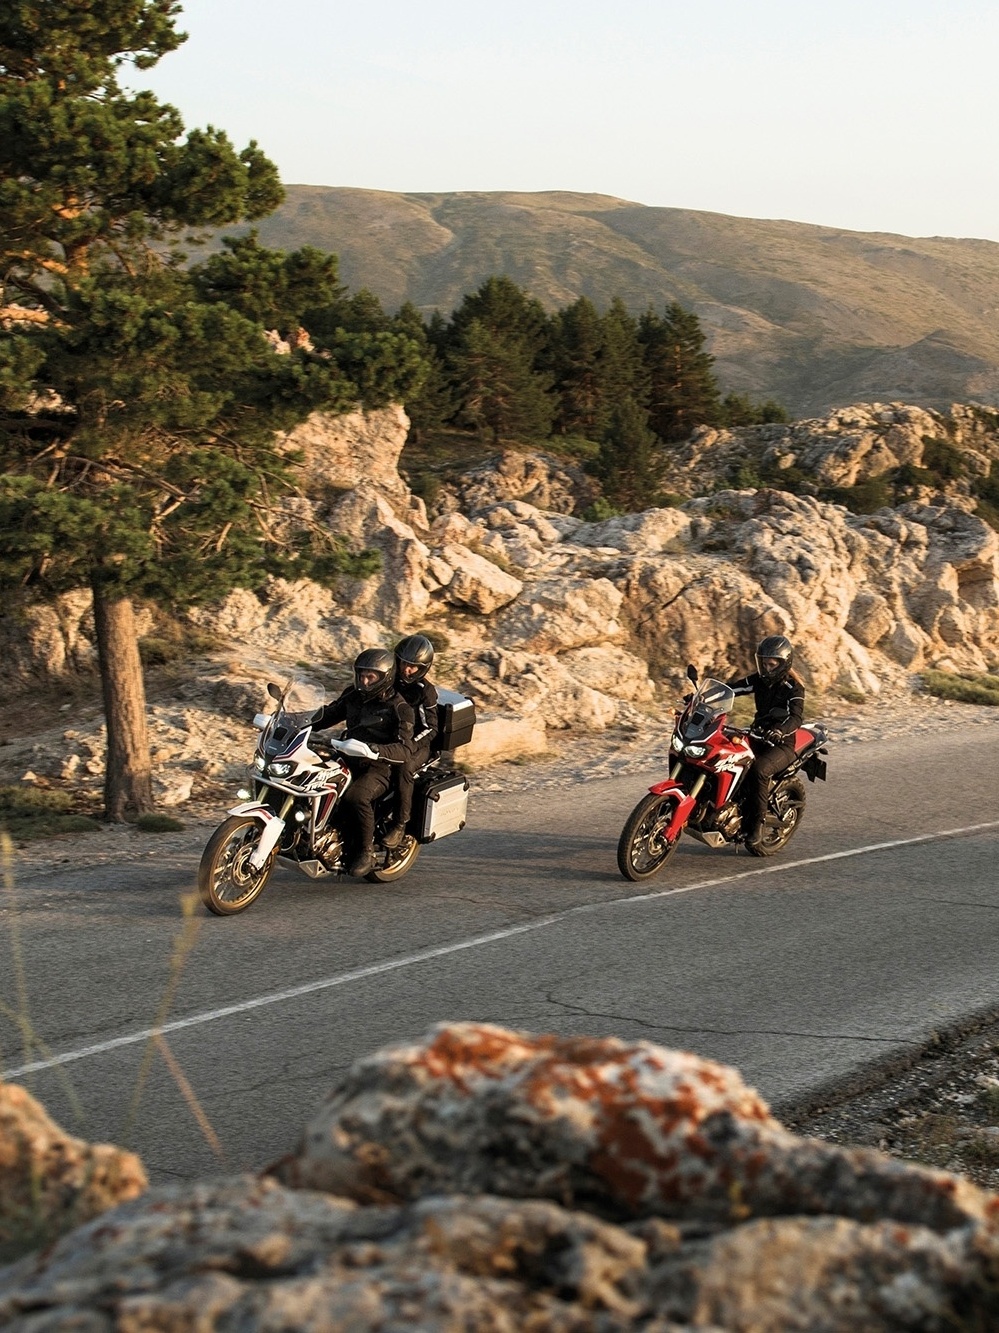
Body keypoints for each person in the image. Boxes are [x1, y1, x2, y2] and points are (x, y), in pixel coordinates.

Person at [313, 648, 415, 877]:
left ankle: (365, 851)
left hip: (379, 767)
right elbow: (327, 715)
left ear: (386, 677)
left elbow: (406, 750)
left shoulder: (399, 708)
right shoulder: (353, 695)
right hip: (347, 756)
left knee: (356, 797)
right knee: (313, 780)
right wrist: (291, 720)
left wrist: (374, 750)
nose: (365, 681)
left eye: (371, 677)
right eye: (362, 675)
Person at [728, 634, 805, 848]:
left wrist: (780, 730)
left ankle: (756, 826)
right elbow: (732, 689)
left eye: (772, 663)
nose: (767, 667)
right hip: (757, 735)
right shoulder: (759, 680)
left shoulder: (794, 689)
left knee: (759, 770)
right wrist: (702, 696)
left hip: (781, 744)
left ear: (784, 663)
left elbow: (796, 717)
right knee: (727, 757)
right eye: (764, 662)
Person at [382, 634, 439, 848]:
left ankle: (399, 824)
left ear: (423, 668)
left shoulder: (425, 692)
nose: (407, 670)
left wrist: (407, 747)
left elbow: (430, 729)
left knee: (403, 768)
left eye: (413, 667)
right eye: (404, 663)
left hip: (417, 745)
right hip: (388, 740)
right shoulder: (388, 680)